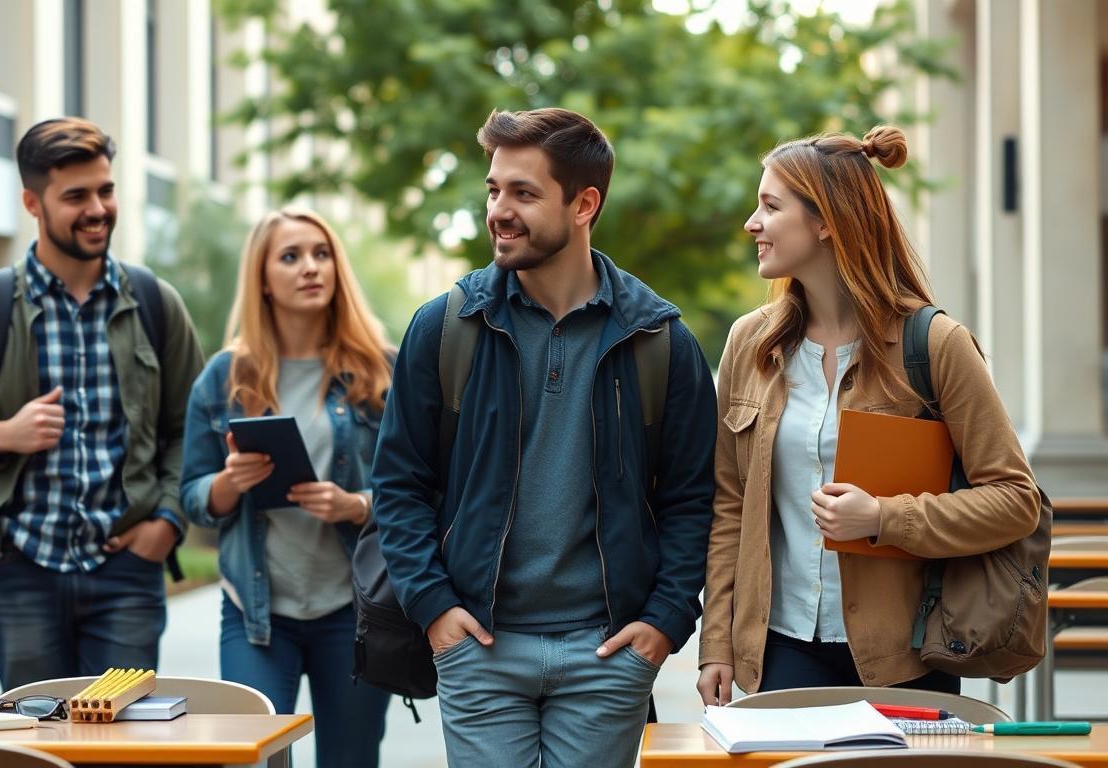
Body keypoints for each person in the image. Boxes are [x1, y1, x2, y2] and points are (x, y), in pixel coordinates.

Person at [371, 108, 717, 768]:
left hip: (607, 654)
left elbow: (691, 499)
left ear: (584, 203)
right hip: (479, 647)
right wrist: (435, 609)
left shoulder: (660, 342)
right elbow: (399, 484)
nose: (499, 209)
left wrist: (665, 622)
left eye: (523, 193)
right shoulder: (444, 327)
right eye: (494, 189)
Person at [696, 126, 1042, 706]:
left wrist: (884, 518)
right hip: (782, 649)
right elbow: (729, 506)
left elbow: (1015, 499)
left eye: (770, 206)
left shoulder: (935, 345)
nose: (752, 223)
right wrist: (717, 646)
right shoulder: (749, 345)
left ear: (825, 220)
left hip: (907, 653)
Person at [0, 117, 205, 689]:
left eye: (105, 190)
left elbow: (195, 428)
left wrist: (166, 520)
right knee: (37, 745)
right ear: (32, 203)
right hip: (22, 571)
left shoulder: (158, 304)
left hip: (128, 574)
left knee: (123, 744)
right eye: (76, 196)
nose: (97, 208)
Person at [180, 208, 393, 768]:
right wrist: (229, 483)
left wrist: (357, 505)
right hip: (256, 616)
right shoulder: (226, 376)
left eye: (321, 254)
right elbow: (192, 497)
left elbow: (427, 490)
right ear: (263, 280)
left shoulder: (381, 370)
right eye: (291, 257)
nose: (310, 268)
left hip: (353, 611)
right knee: (255, 760)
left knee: (351, 760)